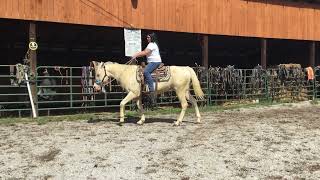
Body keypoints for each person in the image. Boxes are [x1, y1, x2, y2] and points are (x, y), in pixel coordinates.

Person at [130, 33, 162, 104]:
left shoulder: (151, 44)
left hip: (154, 62)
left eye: (149, 37)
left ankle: (152, 91)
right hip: (152, 62)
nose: (147, 38)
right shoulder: (152, 44)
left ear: (152, 38)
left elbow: (145, 52)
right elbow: (145, 52)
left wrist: (136, 55)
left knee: (146, 72)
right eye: (147, 37)